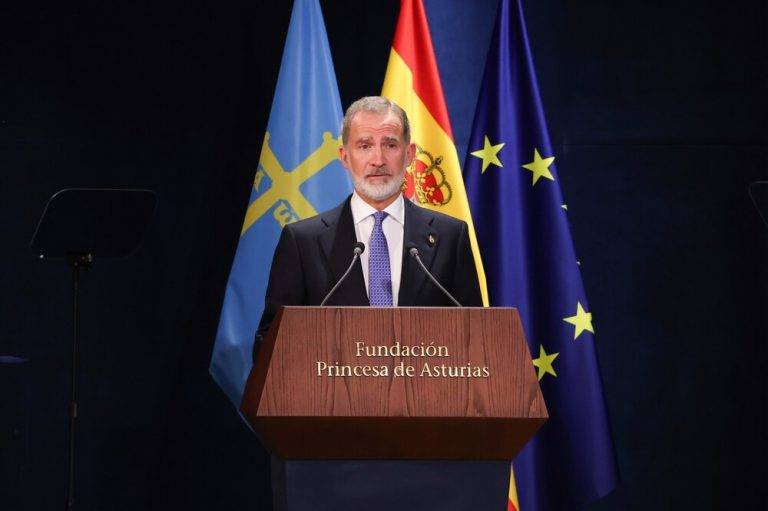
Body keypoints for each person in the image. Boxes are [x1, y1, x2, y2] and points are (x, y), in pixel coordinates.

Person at [255, 96, 481, 348]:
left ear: (409, 154)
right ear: (344, 157)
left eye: (390, 145)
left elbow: (474, 334)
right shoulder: (302, 241)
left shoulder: (450, 236)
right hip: (333, 386)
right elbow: (271, 344)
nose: (378, 160)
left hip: (428, 385)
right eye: (364, 146)